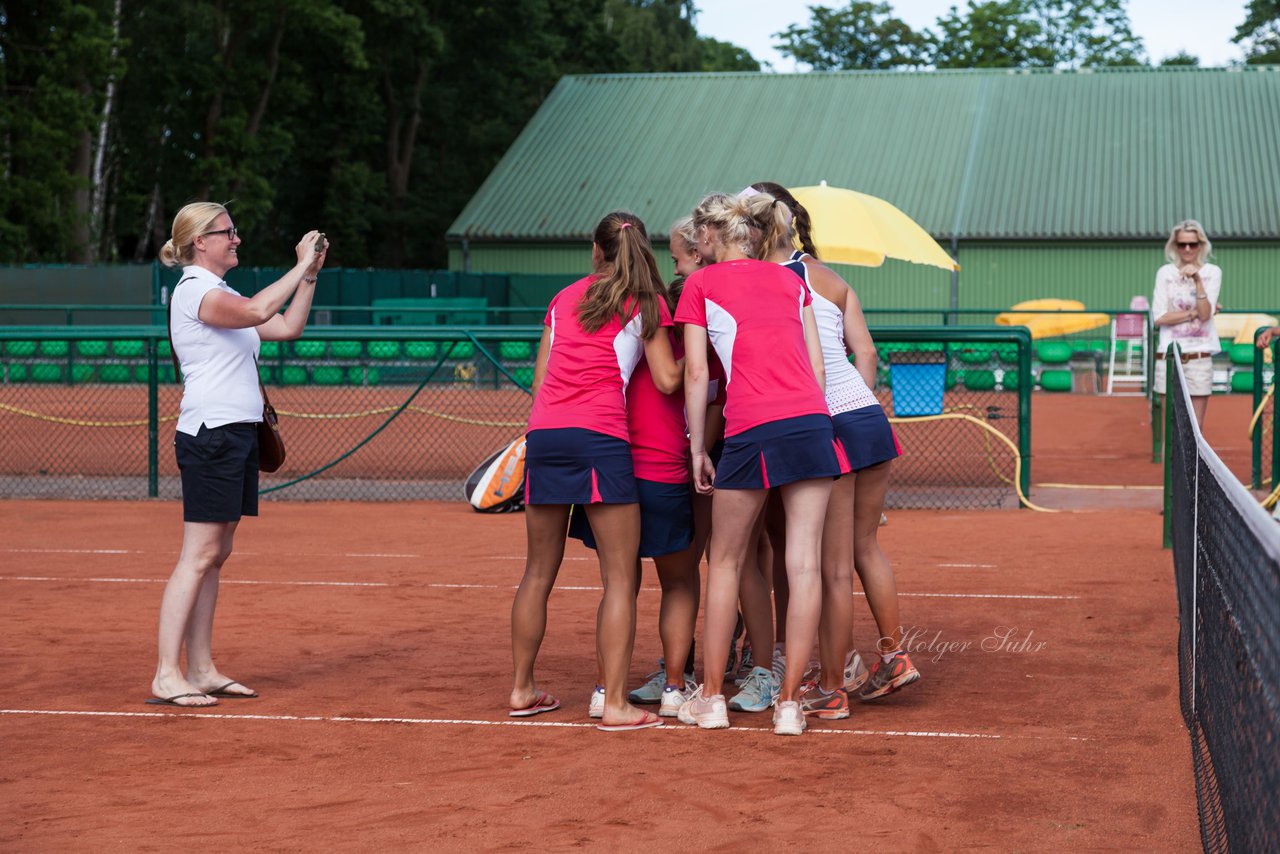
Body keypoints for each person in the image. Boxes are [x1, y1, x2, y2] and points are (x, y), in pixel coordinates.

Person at [748, 181, 918, 715]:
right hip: (867, 416)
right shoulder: (832, 278)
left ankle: (830, 687)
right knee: (866, 547)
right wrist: (856, 403)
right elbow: (864, 353)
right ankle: (893, 656)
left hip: (831, 420)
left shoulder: (766, 280)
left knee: (831, 567)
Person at [675, 192, 841, 736]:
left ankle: (711, 698)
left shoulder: (700, 284)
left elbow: (698, 376)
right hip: (811, 422)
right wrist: (811, 424)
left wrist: (699, 447)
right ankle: (790, 705)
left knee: (724, 562)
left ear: (708, 237)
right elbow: (817, 370)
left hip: (751, 426)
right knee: (804, 565)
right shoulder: (795, 281)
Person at [150, 203, 325, 707]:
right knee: (198, 554)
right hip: (212, 435)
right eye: (227, 233)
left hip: (236, 434)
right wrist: (297, 265)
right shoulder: (195, 290)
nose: (236, 240)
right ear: (199, 241)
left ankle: (201, 668)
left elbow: (286, 327)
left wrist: (309, 275)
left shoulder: (221, 292)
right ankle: (167, 673)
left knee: (216, 554)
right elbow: (256, 313)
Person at [509, 211, 679, 732]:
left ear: (595, 250)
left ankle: (521, 688)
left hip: (545, 435)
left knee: (538, 570)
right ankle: (617, 704)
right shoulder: (644, 301)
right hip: (601, 438)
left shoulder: (563, 298)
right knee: (620, 577)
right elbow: (670, 380)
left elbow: (540, 380)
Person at [1152, 220, 1221, 427]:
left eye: (1193, 244)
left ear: (1201, 245)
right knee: (1171, 429)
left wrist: (1198, 281)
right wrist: (1194, 313)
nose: (1188, 249)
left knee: (1195, 431)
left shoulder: (1212, 272)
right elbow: (1159, 317)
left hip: (1200, 357)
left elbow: (1206, 314)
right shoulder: (1165, 273)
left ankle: (1193, 462)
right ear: (1175, 246)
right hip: (1169, 356)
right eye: (1182, 244)